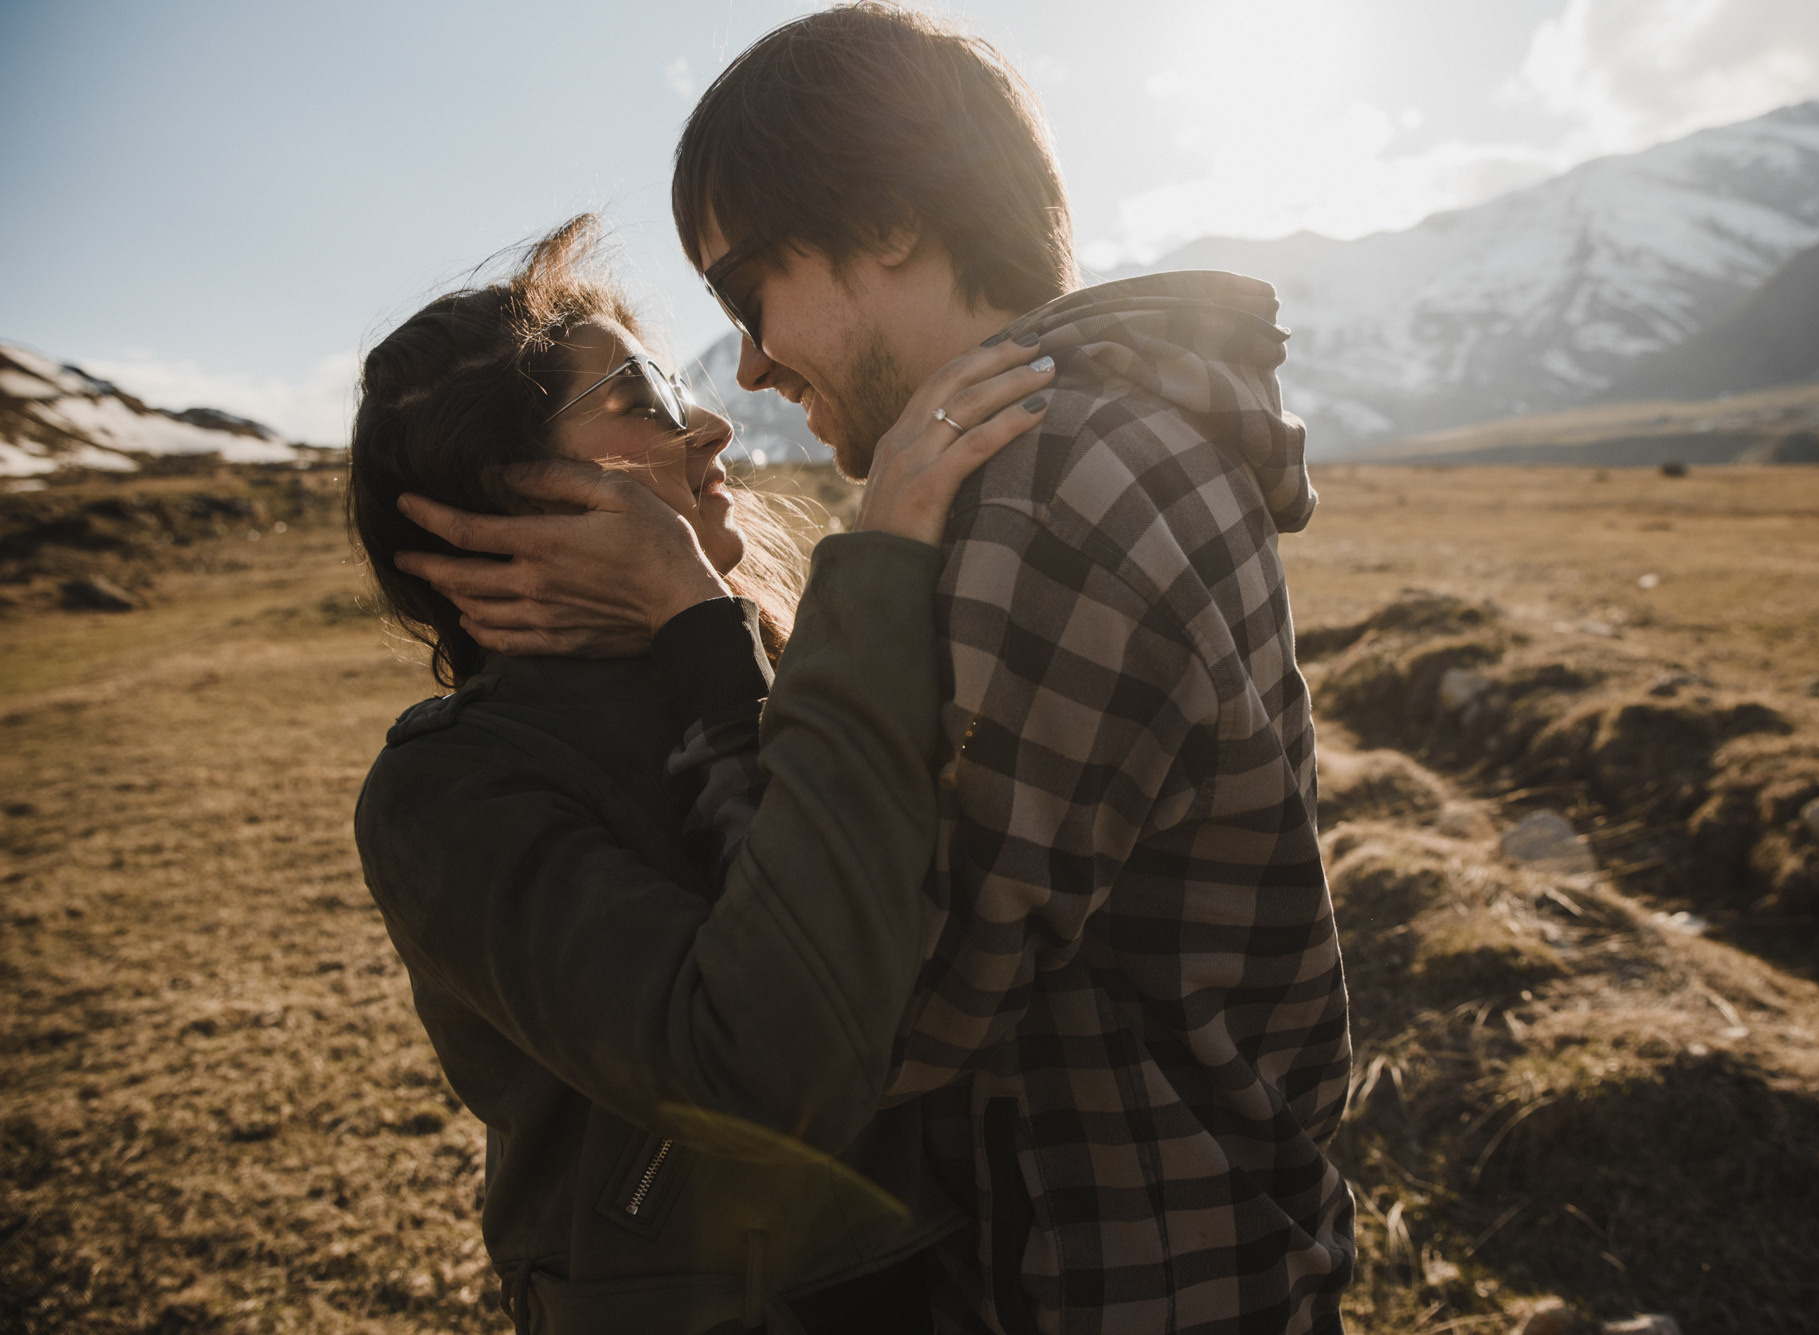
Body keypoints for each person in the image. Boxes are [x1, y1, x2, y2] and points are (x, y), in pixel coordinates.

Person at [402, 5, 1357, 1331]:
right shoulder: (1066, 453)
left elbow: (871, 1014)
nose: (745, 366)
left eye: (745, 291)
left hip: (1123, 1274)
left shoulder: (1052, 486)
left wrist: (701, 619)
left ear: (892, 222)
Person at [350, 215, 1056, 1333]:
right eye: (643, 398)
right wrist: (699, 608)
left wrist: (710, 632)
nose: (713, 423)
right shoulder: (447, 790)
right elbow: (771, 1068)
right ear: (512, 494)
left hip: (939, 1279)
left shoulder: (759, 659)